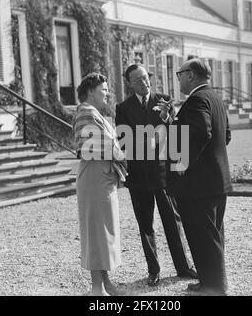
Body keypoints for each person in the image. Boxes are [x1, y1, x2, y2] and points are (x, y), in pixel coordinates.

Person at [115, 64, 197, 287]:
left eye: (146, 78)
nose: (145, 82)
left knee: (173, 221)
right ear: (130, 84)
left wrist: (168, 121)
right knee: (146, 225)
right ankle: (153, 270)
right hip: (138, 176)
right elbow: (124, 141)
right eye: (139, 80)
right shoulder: (122, 108)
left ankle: (183, 266)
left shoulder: (165, 100)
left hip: (163, 174)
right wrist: (151, 139)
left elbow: (175, 133)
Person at [162, 58, 232, 296]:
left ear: (190, 75)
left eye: (179, 73)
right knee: (212, 234)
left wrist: (181, 163)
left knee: (203, 235)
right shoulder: (214, 98)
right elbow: (226, 136)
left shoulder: (198, 99)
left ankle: (214, 287)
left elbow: (201, 131)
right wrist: (173, 120)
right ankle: (210, 281)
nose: (178, 78)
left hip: (199, 184)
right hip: (216, 180)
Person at [74, 72, 127, 296]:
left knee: (104, 232)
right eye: (103, 89)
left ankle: (106, 283)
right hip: (95, 178)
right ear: (89, 91)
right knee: (97, 233)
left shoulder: (94, 112)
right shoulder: (86, 112)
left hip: (102, 178)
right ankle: (97, 289)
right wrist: (123, 155)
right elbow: (91, 147)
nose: (107, 93)